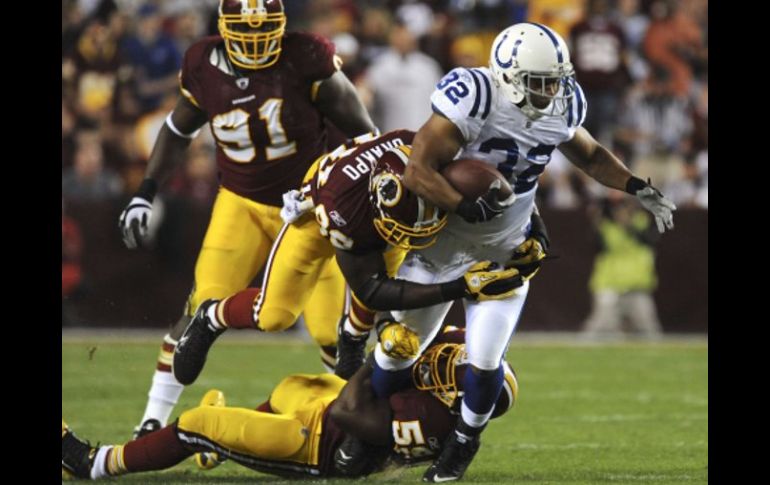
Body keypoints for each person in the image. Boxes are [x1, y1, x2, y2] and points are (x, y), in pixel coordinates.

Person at [365, 22, 676, 482]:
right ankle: (369, 435)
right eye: (539, 81)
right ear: (507, 75)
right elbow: (417, 170)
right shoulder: (476, 95)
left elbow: (589, 155)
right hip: (442, 247)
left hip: (506, 251)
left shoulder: (563, 102)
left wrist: (636, 186)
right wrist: (464, 204)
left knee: (485, 359)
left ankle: (462, 447)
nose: (551, 90)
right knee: (396, 351)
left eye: (555, 80)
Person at [117, 0, 379, 439]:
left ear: (281, 27)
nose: (256, 42)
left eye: (265, 31)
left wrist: (346, 193)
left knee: (330, 330)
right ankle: (152, 420)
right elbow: (178, 129)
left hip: (309, 211)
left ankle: (345, 429)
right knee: (202, 303)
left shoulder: (306, 56)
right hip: (241, 203)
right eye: (245, 31)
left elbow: (363, 133)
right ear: (223, 27)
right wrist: (145, 192)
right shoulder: (202, 63)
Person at [171, 130, 525, 387]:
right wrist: (457, 288)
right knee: (275, 315)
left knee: (385, 266)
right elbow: (372, 289)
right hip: (315, 215)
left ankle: (352, 336)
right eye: (400, 229)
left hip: (368, 205)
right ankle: (211, 317)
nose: (407, 239)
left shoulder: (422, 156)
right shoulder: (346, 212)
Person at [62, 329, 518, 480]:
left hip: (320, 442)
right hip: (327, 407)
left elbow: (347, 411)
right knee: (288, 386)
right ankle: (216, 448)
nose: (447, 361)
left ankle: (95, 463)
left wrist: (379, 358)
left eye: (455, 372)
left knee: (197, 421)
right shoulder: (458, 369)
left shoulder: (434, 421)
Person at [582, 196, 663, 339]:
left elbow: (649, 240)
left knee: (648, 330)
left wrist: (629, 226)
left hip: (637, 285)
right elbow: (596, 246)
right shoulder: (606, 226)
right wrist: (597, 222)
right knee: (600, 328)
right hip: (609, 284)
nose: (622, 212)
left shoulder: (642, 221)